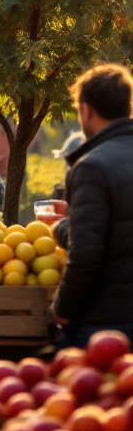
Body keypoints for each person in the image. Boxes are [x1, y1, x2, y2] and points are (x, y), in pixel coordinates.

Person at [53, 64, 133, 345]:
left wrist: (63, 308)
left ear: (86, 110)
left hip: (107, 321)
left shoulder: (92, 167)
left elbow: (85, 253)